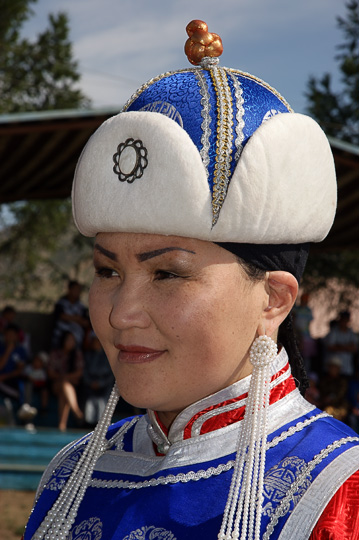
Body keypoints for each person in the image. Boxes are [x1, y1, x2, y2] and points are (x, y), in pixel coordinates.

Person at [24, 20, 359, 540]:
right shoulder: (69, 478)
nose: (120, 313)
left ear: (273, 298)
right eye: (107, 270)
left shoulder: (335, 493)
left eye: (167, 273)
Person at [48, 331, 84, 431]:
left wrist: (65, 378)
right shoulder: (55, 354)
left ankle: (62, 425)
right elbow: (50, 373)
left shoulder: (76, 354)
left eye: (73, 340)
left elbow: (79, 372)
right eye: (69, 340)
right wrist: (64, 378)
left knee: (63, 393)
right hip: (55, 384)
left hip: (71, 386)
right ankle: (76, 411)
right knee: (64, 385)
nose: (71, 342)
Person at [51, 280, 90, 349]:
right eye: (75, 289)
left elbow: (86, 322)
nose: (77, 292)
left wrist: (73, 319)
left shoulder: (81, 307)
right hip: (60, 335)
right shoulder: (61, 303)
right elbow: (61, 316)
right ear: (69, 289)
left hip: (77, 337)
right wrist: (77, 319)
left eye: (79, 290)